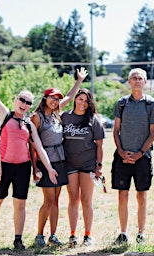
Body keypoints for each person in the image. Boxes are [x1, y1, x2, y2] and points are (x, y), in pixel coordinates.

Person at [0, 61, 59, 250]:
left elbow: (39, 148)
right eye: (22, 100)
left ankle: (18, 238)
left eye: (28, 102)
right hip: (3, 167)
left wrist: (49, 169)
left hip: (22, 168)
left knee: (20, 204)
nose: (24, 104)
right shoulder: (5, 115)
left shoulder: (29, 125)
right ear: (16, 100)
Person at [30, 67, 88, 247]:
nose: (55, 101)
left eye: (57, 99)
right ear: (45, 99)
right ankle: (39, 234)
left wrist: (79, 80)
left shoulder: (56, 114)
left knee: (56, 199)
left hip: (60, 161)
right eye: (52, 98)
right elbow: (32, 144)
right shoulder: (37, 117)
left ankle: (52, 235)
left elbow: (70, 97)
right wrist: (35, 167)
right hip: (45, 162)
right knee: (47, 200)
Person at [111, 68, 154, 245]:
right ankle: (123, 232)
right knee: (122, 195)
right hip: (122, 157)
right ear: (129, 82)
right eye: (134, 78)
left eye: (141, 78)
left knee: (141, 196)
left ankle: (141, 233)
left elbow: (153, 133)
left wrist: (140, 154)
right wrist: (122, 152)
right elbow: (115, 131)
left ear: (145, 82)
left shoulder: (152, 104)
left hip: (143, 158)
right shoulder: (121, 103)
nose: (137, 81)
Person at [61, 88, 105, 247]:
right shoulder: (65, 117)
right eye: (80, 99)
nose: (83, 103)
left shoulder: (93, 119)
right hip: (70, 163)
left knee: (86, 200)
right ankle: (72, 234)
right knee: (73, 198)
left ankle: (87, 235)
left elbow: (100, 145)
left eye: (86, 101)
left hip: (88, 164)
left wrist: (99, 166)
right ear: (75, 100)